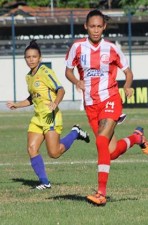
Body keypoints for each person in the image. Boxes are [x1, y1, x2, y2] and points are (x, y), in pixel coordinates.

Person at [65, 9, 148, 206]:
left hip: (111, 98)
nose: (96, 30)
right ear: (86, 27)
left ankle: (101, 193)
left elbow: (128, 72)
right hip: (91, 105)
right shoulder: (77, 48)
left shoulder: (112, 48)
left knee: (101, 142)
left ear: (104, 27)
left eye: (99, 26)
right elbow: (68, 71)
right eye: (92, 26)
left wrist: (127, 86)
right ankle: (136, 138)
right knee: (110, 152)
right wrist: (77, 81)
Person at [6, 40, 90, 190]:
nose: (31, 59)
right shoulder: (28, 77)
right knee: (32, 148)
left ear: (40, 58)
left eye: (34, 56)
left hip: (51, 117)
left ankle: (75, 132)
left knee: (54, 153)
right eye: (28, 57)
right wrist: (16, 105)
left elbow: (61, 89)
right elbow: (33, 98)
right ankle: (45, 182)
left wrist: (55, 103)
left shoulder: (45, 72)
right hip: (38, 118)